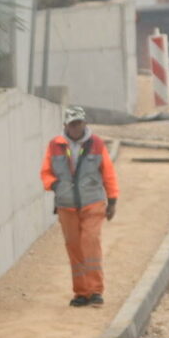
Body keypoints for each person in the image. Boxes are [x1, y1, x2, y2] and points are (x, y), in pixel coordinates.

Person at [42, 106, 119, 307]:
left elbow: (108, 173)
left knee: (90, 242)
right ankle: (81, 293)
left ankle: (96, 291)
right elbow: (46, 173)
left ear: (85, 123)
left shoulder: (96, 144)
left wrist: (112, 201)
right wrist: (55, 185)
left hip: (92, 203)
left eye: (79, 123)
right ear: (65, 125)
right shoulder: (54, 145)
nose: (76, 127)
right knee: (74, 248)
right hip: (66, 207)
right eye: (72, 124)